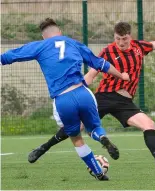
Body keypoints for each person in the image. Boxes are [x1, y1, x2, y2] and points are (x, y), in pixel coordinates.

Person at [28, 21, 155, 170]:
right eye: (118, 39)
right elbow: (91, 75)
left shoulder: (139, 47)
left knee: (149, 124)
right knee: (76, 127)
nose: (121, 42)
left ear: (130, 37)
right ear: (114, 37)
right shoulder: (108, 52)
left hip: (125, 102)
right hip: (104, 97)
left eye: (124, 39)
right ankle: (43, 148)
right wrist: (74, 92)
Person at [0, 18, 131, 181]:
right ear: (60, 32)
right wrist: (121, 75)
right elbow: (100, 64)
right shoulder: (73, 43)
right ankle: (102, 138)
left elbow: (10, 56)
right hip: (83, 93)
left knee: (76, 138)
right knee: (94, 127)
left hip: (63, 99)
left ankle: (98, 172)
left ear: (43, 37)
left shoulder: (40, 46)